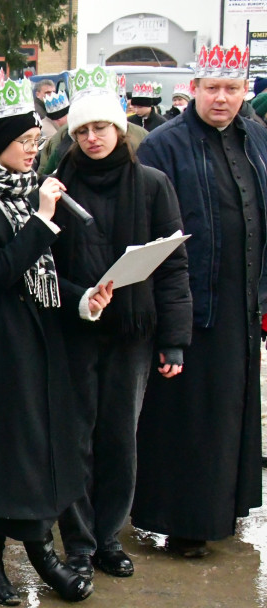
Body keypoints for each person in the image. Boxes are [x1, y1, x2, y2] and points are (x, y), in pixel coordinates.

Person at [0, 75, 99, 608]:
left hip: (41, 341)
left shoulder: (24, 189)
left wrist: (83, 299)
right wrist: (44, 221)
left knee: (30, 451)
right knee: (6, 454)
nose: (34, 154)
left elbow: (44, 275)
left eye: (37, 143)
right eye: (25, 144)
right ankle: (42, 556)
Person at [50, 67, 192, 580]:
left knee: (119, 438)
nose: (92, 138)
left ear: (120, 130)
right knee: (76, 438)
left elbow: (173, 265)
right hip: (75, 332)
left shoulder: (152, 186)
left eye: (101, 129)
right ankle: (79, 542)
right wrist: (76, 300)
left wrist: (174, 340)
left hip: (132, 333)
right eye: (83, 131)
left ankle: (109, 535)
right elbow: (41, 264)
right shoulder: (57, 188)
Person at [133, 45, 267, 558]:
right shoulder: (165, 145)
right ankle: (181, 522)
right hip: (189, 305)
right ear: (194, 90)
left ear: (244, 91)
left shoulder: (257, 138)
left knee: (231, 413)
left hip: (241, 305)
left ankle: (221, 511)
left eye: (232, 89)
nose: (222, 98)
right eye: (212, 88)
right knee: (186, 421)